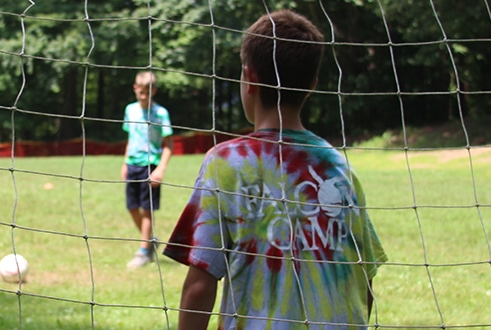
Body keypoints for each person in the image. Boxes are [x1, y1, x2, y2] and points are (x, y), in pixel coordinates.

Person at [163, 10, 387, 329]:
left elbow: (199, 285)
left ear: (248, 77)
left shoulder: (226, 163)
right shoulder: (339, 166)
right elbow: (363, 283)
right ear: (311, 85)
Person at [121, 71, 173, 269]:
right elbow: (130, 138)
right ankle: (150, 240)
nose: (143, 96)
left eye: (147, 93)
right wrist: (125, 162)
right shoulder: (130, 110)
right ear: (135, 89)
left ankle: (143, 251)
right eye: (141, 92)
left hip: (151, 166)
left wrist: (160, 169)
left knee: (147, 209)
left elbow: (169, 145)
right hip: (133, 163)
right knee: (132, 207)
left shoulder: (161, 113)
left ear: (154, 91)